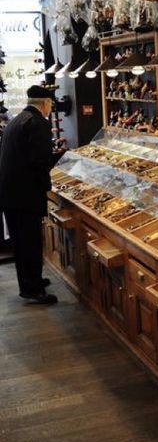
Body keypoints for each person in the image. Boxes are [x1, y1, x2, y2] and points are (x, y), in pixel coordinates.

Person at [0, 85, 58, 304]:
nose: (50, 109)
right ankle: (33, 289)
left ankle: (31, 281)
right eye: (50, 105)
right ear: (45, 103)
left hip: (10, 194)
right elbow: (40, 160)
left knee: (21, 243)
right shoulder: (38, 123)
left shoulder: (16, 120)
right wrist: (48, 186)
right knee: (30, 242)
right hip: (25, 195)